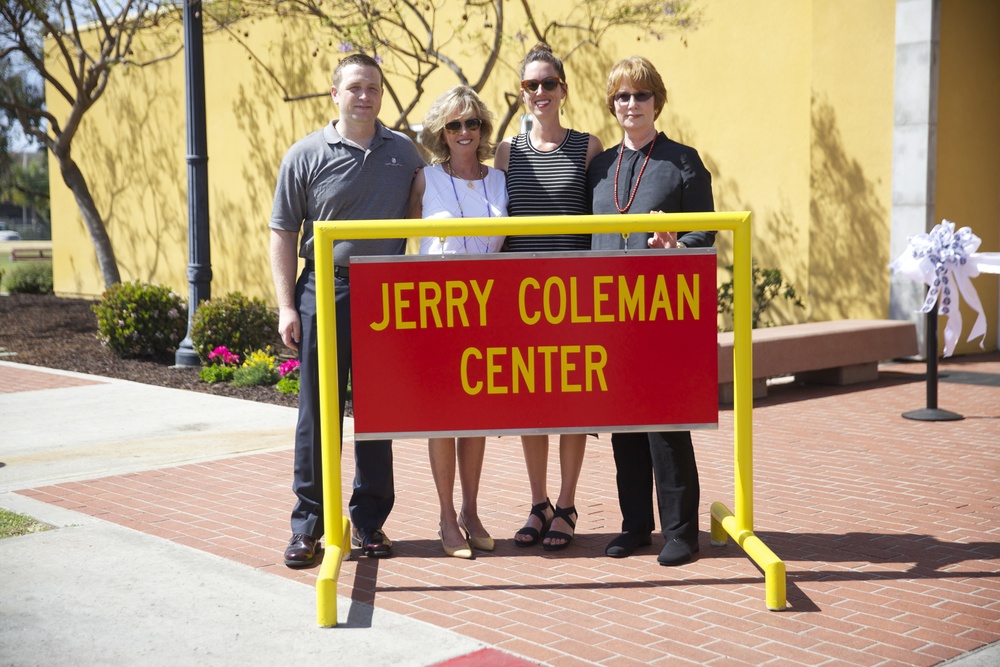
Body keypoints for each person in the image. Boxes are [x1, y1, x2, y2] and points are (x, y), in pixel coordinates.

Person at [270, 53, 424, 567]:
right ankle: (308, 526)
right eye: (355, 87)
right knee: (319, 413)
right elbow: (283, 232)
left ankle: (370, 524)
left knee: (378, 414)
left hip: (384, 296)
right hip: (324, 291)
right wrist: (285, 306)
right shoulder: (306, 154)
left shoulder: (405, 153)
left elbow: (425, 210)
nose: (365, 95)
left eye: (374, 87)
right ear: (334, 94)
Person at [588, 56, 716, 566]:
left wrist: (676, 249)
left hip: (663, 315)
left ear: (656, 102)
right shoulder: (599, 167)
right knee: (625, 427)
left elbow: (703, 234)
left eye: (641, 96)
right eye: (622, 96)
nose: (631, 104)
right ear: (612, 105)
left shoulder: (684, 161)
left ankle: (681, 531)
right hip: (611, 317)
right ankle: (635, 524)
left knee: (665, 425)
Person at [493, 43, 604, 551]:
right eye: (531, 85)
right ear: (522, 94)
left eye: (549, 84)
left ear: (564, 90)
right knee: (530, 407)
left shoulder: (589, 148)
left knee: (571, 407)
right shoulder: (505, 152)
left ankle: (567, 504)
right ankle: (537, 504)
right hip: (520, 301)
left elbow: (603, 222)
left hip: (574, 299)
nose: (541, 92)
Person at [406, 86, 507, 558]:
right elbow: (403, 244)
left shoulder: (500, 181)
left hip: (486, 314)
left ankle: (470, 509)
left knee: (476, 418)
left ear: (483, 129)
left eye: (472, 123)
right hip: (438, 315)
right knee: (442, 418)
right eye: (454, 124)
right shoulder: (425, 180)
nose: (464, 132)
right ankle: (446, 516)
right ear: (440, 133)